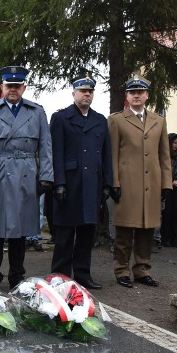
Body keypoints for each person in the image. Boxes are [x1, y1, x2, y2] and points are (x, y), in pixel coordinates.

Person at [0, 66, 53, 289]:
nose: (13, 90)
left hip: (26, 173)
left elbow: (46, 146)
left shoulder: (36, 112)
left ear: (24, 88)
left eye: (17, 86)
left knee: (20, 231)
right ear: (2, 87)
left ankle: (17, 276)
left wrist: (46, 175)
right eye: (9, 85)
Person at [108, 74, 171, 288]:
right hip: (127, 183)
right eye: (132, 92)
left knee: (147, 229)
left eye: (140, 92)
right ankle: (121, 270)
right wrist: (114, 182)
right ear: (127, 96)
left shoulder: (159, 120)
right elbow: (113, 154)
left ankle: (143, 270)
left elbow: (164, 156)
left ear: (147, 95)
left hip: (151, 184)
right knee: (125, 230)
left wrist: (166, 184)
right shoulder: (116, 120)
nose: (136, 95)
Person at [49, 74, 112, 290]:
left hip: (92, 182)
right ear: (73, 93)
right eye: (83, 91)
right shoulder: (61, 118)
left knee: (87, 234)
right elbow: (56, 152)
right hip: (69, 182)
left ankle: (83, 275)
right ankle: (60, 276)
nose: (86, 94)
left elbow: (106, 154)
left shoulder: (100, 120)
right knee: (65, 235)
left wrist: (107, 183)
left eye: (90, 91)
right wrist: (58, 182)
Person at [161, 133, 177, 247]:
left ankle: (175, 238)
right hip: (166, 188)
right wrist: (170, 182)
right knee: (166, 213)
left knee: (176, 212)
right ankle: (165, 238)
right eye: (175, 143)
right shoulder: (164, 156)